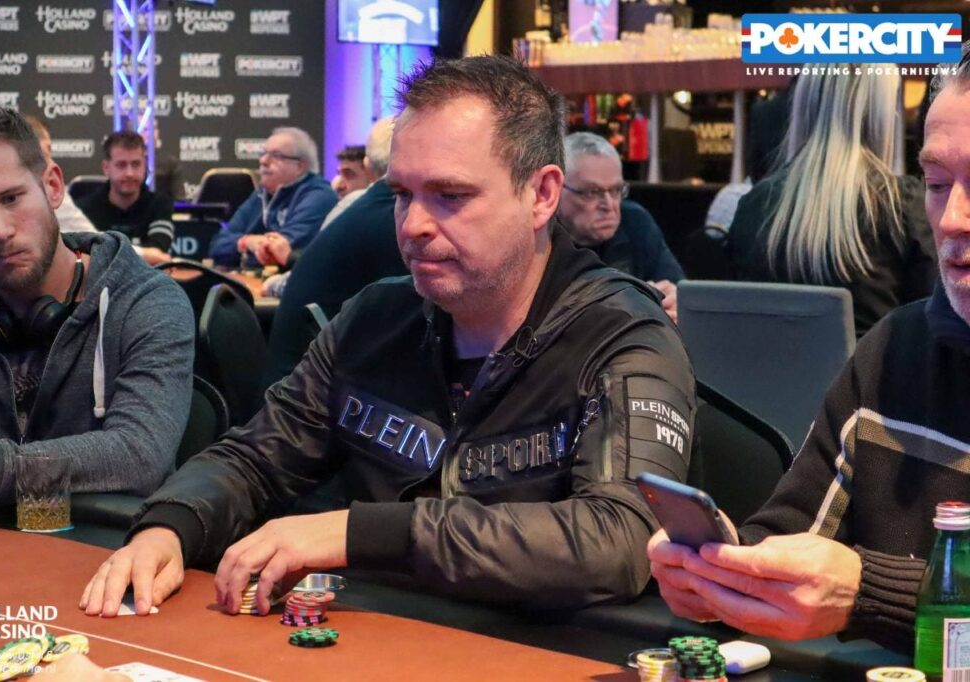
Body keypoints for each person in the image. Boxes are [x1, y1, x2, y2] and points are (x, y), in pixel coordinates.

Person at [80, 55, 696, 618]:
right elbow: (253, 459)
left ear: (541, 194)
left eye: (450, 195)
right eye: (402, 194)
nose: (414, 225)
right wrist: (170, 525)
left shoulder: (624, 335)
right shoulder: (376, 316)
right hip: (376, 638)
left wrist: (356, 533)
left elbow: (618, 538)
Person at [648, 48, 970, 655]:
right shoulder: (892, 349)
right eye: (935, 184)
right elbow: (792, 531)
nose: (951, 219)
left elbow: (857, 589)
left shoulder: (753, 207)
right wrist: (726, 572)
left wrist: (869, 592)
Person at [0, 106, 194, 503]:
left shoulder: (147, 301)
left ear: (53, 186)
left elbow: (139, 456)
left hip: (102, 540)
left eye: (11, 198)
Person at [728, 65, 937, 336]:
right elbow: (936, 324)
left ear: (802, 105)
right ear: (882, 114)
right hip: (877, 363)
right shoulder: (904, 205)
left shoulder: (753, 206)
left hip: (765, 363)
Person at [259, 117, 397, 300]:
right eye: (339, 174)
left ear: (369, 170)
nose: (338, 184)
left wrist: (280, 272)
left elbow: (313, 274)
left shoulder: (350, 202)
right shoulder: (265, 193)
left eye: (349, 175)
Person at [557, 132, 683, 323]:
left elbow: (679, 291)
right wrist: (633, 303)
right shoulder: (538, 237)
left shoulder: (635, 222)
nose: (609, 205)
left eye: (616, 190)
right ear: (555, 190)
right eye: (592, 192)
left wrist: (675, 300)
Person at [209, 127, 337, 268]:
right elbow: (217, 247)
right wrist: (247, 242)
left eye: (276, 156)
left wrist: (247, 247)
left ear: (300, 166)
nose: (263, 161)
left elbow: (281, 253)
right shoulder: (260, 194)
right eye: (263, 153)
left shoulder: (319, 196)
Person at [75, 131, 175, 266]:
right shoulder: (85, 209)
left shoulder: (160, 204)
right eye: (121, 165)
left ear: (145, 165)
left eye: (136, 164)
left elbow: (158, 254)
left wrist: (107, 251)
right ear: (106, 168)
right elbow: (84, 256)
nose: (129, 173)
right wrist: (146, 254)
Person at [22, 115, 97, 234]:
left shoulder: (51, 189)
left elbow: (90, 237)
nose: (51, 163)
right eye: (47, 150)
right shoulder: (47, 187)